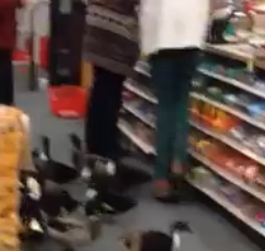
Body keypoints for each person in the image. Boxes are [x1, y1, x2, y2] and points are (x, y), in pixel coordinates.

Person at [139, 0, 212, 202]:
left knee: (166, 107)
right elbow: (220, 8)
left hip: (161, 39)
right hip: (191, 39)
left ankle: (161, 178)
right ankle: (179, 160)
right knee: (181, 105)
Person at [83, 0, 140, 160]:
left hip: (96, 26)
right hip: (115, 34)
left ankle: (94, 142)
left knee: (100, 88)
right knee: (111, 91)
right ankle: (107, 146)